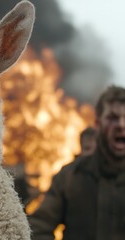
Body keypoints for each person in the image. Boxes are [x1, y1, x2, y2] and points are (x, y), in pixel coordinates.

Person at [29, 85, 125, 239]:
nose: (121, 125)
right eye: (113, 118)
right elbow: (38, 228)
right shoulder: (70, 177)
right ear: (97, 125)